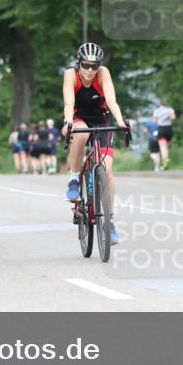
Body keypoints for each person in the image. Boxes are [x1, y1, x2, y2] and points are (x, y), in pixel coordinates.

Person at [62, 42, 130, 245]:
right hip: (78, 117)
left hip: (101, 119)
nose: (90, 70)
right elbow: (68, 103)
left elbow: (111, 99)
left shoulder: (103, 73)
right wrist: (68, 122)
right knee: (81, 136)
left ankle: (108, 221)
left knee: (107, 170)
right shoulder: (71, 75)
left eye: (94, 66)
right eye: (85, 65)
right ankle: (74, 179)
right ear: (78, 63)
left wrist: (120, 121)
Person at [152, 99, 176, 170]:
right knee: (167, 147)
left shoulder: (157, 111)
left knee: (163, 147)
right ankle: (166, 159)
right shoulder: (170, 110)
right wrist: (168, 119)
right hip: (169, 129)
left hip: (161, 129)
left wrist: (160, 120)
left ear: (161, 104)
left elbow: (154, 121)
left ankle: (165, 162)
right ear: (167, 104)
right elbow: (173, 117)